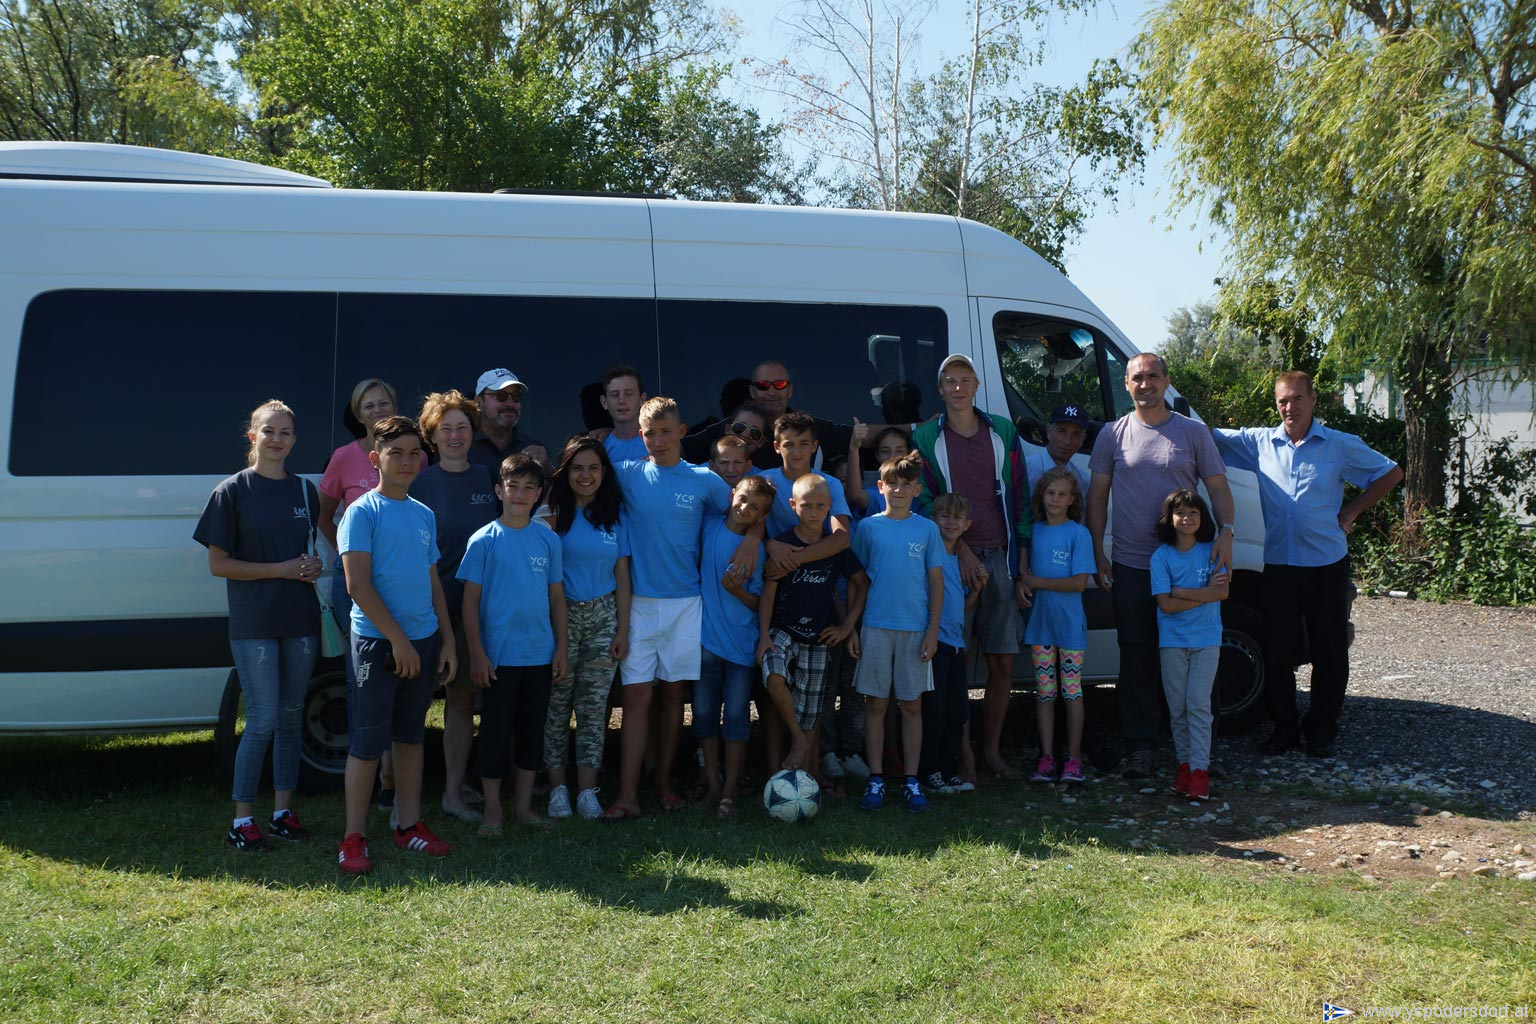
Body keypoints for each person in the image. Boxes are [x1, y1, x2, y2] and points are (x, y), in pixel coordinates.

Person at [1211, 370, 1402, 758]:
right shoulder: (1260, 442)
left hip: (1325, 564)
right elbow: (1206, 436)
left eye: (1298, 398)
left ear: (1313, 400)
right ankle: (1284, 728)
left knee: (1329, 650)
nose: (1290, 407)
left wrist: (1351, 511)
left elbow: (1390, 473)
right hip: (1279, 566)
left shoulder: (1338, 445)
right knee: (1277, 651)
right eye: (1283, 400)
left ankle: (1321, 730)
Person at [602, 397, 753, 820]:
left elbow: (746, 510)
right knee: (636, 699)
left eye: (666, 432)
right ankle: (627, 795)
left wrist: (754, 539)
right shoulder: (626, 473)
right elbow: (580, 482)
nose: (658, 440)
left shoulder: (704, 480)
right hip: (638, 605)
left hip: (686, 604)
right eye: (650, 434)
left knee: (672, 697)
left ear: (682, 432)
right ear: (640, 435)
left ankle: (665, 784)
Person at [1086, 352, 1235, 779]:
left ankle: (1199, 753)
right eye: (1137, 377)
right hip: (1132, 563)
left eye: (1153, 376)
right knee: (1137, 658)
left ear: (1167, 381)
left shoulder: (1192, 432)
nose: (1145, 383)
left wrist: (1226, 532)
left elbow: (1218, 488)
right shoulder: (1112, 434)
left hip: (1190, 563)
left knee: (1197, 653)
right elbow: (1097, 498)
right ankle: (1141, 747)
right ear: (1126, 384)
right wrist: (1097, 552)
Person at [194, 399, 325, 851]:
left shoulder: (305, 491)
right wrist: (281, 570)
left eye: (285, 432)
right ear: (252, 436)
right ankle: (242, 820)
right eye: (268, 431)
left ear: (295, 440)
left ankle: (282, 813)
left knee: (291, 717)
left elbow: (308, 552)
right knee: (263, 719)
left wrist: (311, 567)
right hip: (254, 623)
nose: (277, 439)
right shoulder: (231, 491)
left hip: (301, 620)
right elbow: (218, 564)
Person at [335, 416, 458, 875]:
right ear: (375, 459)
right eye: (395, 453)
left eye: (413, 454)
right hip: (377, 643)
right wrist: (397, 641)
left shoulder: (423, 514)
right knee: (368, 742)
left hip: (422, 641)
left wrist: (447, 640)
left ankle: (408, 826)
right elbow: (358, 585)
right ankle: (353, 838)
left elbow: (432, 582)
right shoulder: (362, 512)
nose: (406, 462)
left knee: (410, 737)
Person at [912, 353, 1032, 780]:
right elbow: (925, 500)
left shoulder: (1002, 430)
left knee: (1003, 662)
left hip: (999, 555)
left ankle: (992, 752)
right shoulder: (926, 436)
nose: (958, 387)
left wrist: (1021, 557)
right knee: (952, 663)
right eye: (950, 381)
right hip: (949, 559)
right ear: (940, 389)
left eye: (965, 379)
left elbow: (1020, 494)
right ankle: (961, 755)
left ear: (977, 385)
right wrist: (959, 548)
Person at [459, 453, 566, 834]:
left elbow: (556, 597)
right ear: (498, 490)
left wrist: (561, 647)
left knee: (531, 733)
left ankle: (522, 808)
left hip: (538, 655)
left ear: (538, 494)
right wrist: (477, 653)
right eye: (513, 486)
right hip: (498, 658)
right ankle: (493, 811)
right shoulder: (483, 541)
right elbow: (470, 602)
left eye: (528, 488)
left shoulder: (548, 539)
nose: (520, 494)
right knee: (494, 732)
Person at [410, 390, 499, 823]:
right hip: (430, 608)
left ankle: (454, 790)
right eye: (445, 428)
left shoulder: (488, 478)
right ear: (432, 435)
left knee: (462, 701)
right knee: (413, 703)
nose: (455, 435)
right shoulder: (419, 483)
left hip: (478, 609)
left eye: (462, 426)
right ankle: (395, 791)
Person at [319, 377, 400, 807]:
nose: (377, 410)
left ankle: (390, 776)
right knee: (362, 677)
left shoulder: (414, 454)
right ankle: (365, 771)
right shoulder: (343, 458)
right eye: (369, 405)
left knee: (399, 672)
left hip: (400, 579)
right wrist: (348, 555)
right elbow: (324, 515)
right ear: (357, 413)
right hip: (355, 582)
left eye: (384, 403)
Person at [541, 435, 631, 821]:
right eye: (577, 467)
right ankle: (558, 790)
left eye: (594, 467)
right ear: (565, 472)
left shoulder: (614, 515)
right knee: (557, 707)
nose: (586, 475)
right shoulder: (550, 514)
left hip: (603, 619)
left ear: (604, 472)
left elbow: (622, 575)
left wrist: (622, 630)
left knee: (594, 709)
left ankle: (587, 793)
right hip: (559, 620)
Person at [756, 474, 865, 792]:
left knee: (810, 711)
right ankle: (798, 738)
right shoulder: (783, 544)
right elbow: (768, 593)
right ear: (793, 505)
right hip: (782, 630)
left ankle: (801, 784)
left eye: (820, 505)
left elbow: (862, 584)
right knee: (773, 673)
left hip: (817, 639)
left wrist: (846, 627)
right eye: (806, 505)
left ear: (830, 506)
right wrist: (764, 635)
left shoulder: (835, 547)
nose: (814, 511)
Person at [851, 451, 943, 814]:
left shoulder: (927, 529)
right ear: (880, 486)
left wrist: (932, 632)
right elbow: (857, 581)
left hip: (915, 629)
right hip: (875, 626)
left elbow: (936, 584)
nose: (899, 490)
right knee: (875, 704)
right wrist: (852, 627)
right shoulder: (868, 528)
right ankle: (875, 778)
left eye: (907, 484)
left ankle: (911, 780)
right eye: (892, 483)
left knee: (912, 705)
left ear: (917, 490)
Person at [696, 475, 774, 816]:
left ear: (762, 517)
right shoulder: (708, 526)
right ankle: (712, 782)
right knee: (703, 715)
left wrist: (737, 591)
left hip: (742, 648)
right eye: (742, 499)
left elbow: (760, 603)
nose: (745, 508)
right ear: (731, 495)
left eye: (755, 507)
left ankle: (730, 789)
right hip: (706, 644)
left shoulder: (757, 549)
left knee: (737, 718)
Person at [1150, 489, 1230, 802]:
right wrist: (1202, 593)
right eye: (1180, 513)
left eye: (1193, 512)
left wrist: (1181, 591)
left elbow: (1221, 593)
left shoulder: (1212, 551)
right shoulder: (1161, 557)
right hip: (1172, 642)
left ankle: (1200, 772)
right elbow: (1165, 605)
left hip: (1206, 640)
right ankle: (1184, 766)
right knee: (1177, 708)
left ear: (1202, 517)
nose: (1186, 518)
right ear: (1169, 519)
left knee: (1198, 704)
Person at [1020, 467, 1097, 784]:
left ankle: (1074, 759)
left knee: (1072, 691)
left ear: (1072, 499)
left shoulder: (1079, 534)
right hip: (1041, 626)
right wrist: (1023, 584)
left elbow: (1078, 583)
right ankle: (1047, 757)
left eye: (1062, 494)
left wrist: (1036, 581)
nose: (1055, 499)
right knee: (1044, 693)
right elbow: (1023, 576)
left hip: (1070, 628)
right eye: (1050, 493)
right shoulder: (1034, 532)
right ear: (1042, 496)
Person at [683, 360, 857, 470]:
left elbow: (857, 436)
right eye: (763, 386)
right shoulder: (736, 426)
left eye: (780, 385)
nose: (771, 392)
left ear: (790, 390)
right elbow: (681, 449)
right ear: (752, 391)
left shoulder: (805, 426)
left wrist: (867, 433)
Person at [918, 493, 978, 795]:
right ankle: (927, 772)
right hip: (935, 643)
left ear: (967, 525)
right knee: (935, 711)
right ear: (933, 520)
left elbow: (961, 608)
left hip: (957, 644)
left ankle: (947, 770)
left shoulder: (961, 562)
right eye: (944, 516)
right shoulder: (931, 555)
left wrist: (978, 590)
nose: (951, 522)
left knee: (958, 712)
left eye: (957, 518)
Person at [760, 411, 854, 555]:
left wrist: (796, 559)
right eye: (789, 445)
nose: (797, 452)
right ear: (777, 447)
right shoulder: (763, 481)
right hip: (776, 560)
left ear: (814, 445)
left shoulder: (830, 484)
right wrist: (767, 544)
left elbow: (842, 537)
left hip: (820, 560)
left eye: (803, 444)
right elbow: (750, 526)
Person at [469, 368, 546, 472]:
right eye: (501, 395)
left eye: (516, 396)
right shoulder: (460, 446)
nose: (510, 403)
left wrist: (547, 469)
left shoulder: (535, 450)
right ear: (478, 402)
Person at [1024, 405, 1092, 497]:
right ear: (1049, 431)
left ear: (1082, 439)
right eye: (1061, 431)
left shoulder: (1083, 481)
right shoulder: (1025, 470)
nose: (1067, 441)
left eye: (1076, 434)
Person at [846, 424, 912, 519]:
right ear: (877, 455)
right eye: (885, 451)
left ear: (909, 453)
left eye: (899, 451)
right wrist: (854, 448)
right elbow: (855, 495)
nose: (892, 456)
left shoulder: (921, 487)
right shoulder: (878, 492)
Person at [599, 365, 649, 464]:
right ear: (604, 402)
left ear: (642, 399)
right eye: (615, 395)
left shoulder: (659, 444)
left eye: (629, 394)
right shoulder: (600, 451)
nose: (622, 401)